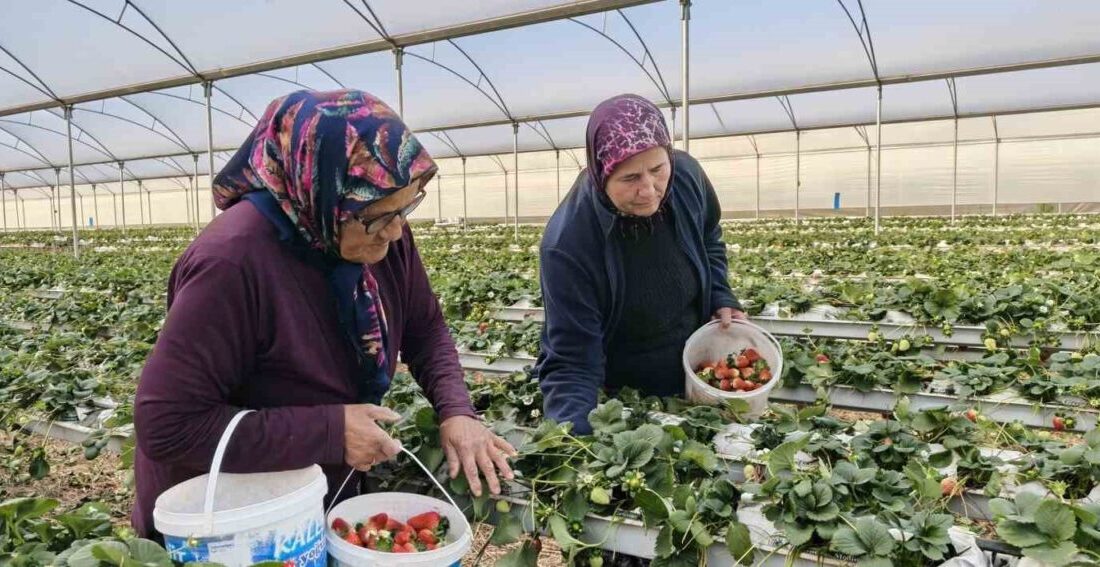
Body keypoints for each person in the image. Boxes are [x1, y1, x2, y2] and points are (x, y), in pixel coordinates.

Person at [131, 90, 516, 538]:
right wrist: (329, 431)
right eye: (377, 217)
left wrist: (456, 411)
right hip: (227, 519)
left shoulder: (380, 227)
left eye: (406, 208)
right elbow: (168, 424)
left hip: (310, 492)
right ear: (322, 194)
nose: (395, 231)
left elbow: (423, 327)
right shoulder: (232, 262)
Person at [534, 93, 746, 434]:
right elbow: (572, 360)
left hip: (696, 365)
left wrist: (721, 293)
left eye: (657, 169)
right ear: (601, 174)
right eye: (630, 179)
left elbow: (709, 235)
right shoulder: (567, 245)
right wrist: (574, 441)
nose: (648, 190)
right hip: (624, 392)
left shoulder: (686, 176)